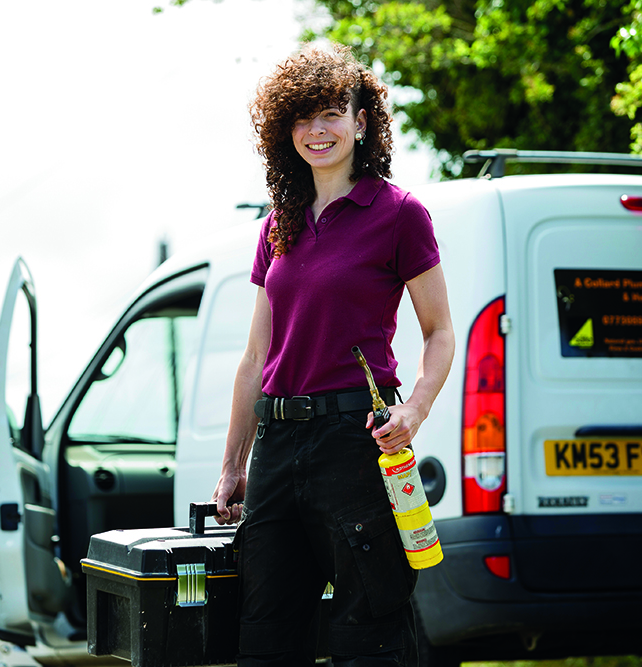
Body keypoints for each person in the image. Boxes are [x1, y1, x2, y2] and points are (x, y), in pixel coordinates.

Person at [211, 42, 455, 667]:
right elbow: (255, 354)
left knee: (367, 630)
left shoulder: (400, 215)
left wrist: (416, 411)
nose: (317, 131)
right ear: (283, 129)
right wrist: (234, 463)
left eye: (330, 114)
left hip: (356, 443)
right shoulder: (278, 223)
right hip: (277, 445)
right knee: (265, 633)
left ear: (361, 121)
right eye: (302, 117)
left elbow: (439, 332)